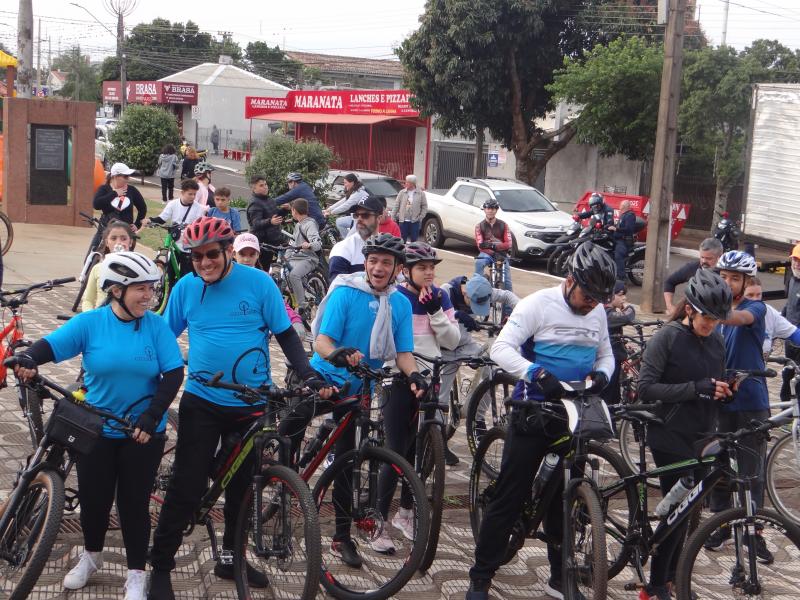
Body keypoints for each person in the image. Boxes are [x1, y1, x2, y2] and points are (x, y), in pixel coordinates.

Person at [147, 217, 334, 600]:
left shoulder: (259, 283)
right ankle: (161, 567)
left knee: (240, 491)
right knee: (186, 485)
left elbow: (285, 334)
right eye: (196, 257)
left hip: (252, 404)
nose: (204, 263)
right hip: (203, 399)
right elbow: (165, 336)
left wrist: (308, 373)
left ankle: (231, 559)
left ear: (228, 251)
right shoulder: (186, 288)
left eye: (211, 255)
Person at [13, 251, 184, 600]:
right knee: (95, 500)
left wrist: (151, 417)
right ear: (116, 290)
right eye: (141, 289)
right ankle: (90, 557)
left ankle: (136, 573)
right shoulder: (91, 323)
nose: (149, 296)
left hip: (142, 432)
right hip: (97, 430)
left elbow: (173, 373)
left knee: (133, 504)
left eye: (152, 289)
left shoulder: (156, 326)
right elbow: (51, 345)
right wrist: (29, 357)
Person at [466, 242, 616, 600]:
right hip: (534, 412)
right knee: (509, 496)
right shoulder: (538, 304)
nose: (592, 303)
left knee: (565, 500)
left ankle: (558, 577)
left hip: (574, 414)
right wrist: (534, 372)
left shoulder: (597, 312)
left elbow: (606, 353)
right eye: (588, 295)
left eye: (599, 298)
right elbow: (501, 349)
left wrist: (603, 375)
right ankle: (480, 577)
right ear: (570, 280)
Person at [277, 232, 425, 568]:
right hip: (325, 377)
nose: (378, 267)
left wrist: (414, 375)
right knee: (288, 431)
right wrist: (339, 356)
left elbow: (402, 353)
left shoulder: (399, 303)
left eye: (386, 262)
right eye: (373, 260)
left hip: (359, 388)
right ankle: (280, 484)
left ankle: (341, 537)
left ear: (398, 268)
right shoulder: (346, 291)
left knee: (347, 463)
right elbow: (322, 342)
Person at [637, 268, 732, 600]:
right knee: (677, 514)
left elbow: (711, 384)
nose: (711, 325)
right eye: (707, 318)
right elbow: (646, 389)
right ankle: (655, 586)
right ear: (689, 309)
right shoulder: (668, 337)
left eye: (717, 320)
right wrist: (696, 388)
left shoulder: (716, 340)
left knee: (687, 513)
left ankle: (672, 578)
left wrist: (724, 389)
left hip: (703, 435)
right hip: (669, 434)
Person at [370, 241, 458, 553]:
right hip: (398, 379)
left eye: (432, 267)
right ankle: (378, 520)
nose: (429, 272)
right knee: (395, 450)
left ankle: (405, 513)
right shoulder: (396, 298)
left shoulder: (440, 297)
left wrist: (435, 310)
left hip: (429, 379)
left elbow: (451, 341)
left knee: (419, 451)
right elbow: (388, 341)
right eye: (422, 267)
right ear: (406, 270)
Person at [704, 250, 773, 563]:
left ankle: (753, 533)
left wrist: (707, 309)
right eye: (723, 276)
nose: (727, 282)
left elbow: (739, 318)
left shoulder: (754, 308)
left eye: (734, 278)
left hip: (751, 402)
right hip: (719, 399)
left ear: (747, 282)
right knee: (717, 466)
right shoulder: (711, 316)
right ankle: (720, 522)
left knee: (751, 472)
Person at [439, 273, 519, 465]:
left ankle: (477, 415)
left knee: (493, 366)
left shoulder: (484, 290)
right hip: (444, 350)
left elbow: (508, 296)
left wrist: (516, 314)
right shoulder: (446, 291)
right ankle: (438, 442)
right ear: (466, 294)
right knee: (439, 399)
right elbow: (434, 316)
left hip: (466, 345)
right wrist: (456, 315)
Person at [232, 232, 306, 338]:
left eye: (252, 254)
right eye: (242, 254)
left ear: (258, 254)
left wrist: (295, 320)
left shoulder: (264, 279)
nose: (246, 259)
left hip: (256, 340)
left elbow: (279, 303)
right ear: (234, 254)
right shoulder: (226, 278)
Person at [142, 179, 206, 277]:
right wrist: (150, 220)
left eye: (194, 194)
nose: (193, 197)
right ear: (182, 192)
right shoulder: (173, 204)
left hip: (188, 245)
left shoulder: (198, 208)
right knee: (170, 273)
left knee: (185, 275)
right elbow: (162, 219)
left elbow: (199, 226)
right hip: (174, 242)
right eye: (190, 194)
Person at [81, 220, 137, 312]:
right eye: (113, 238)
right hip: (102, 318)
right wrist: (91, 317)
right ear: (107, 242)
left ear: (130, 242)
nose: (118, 243)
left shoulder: (137, 269)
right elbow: (88, 300)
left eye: (123, 239)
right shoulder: (98, 268)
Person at [663, 237, 724, 315]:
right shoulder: (692, 268)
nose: (704, 261)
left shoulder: (726, 274)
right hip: (690, 316)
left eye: (709, 258)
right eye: (702, 257)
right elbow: (669, 282)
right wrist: (670, 307)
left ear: (720, 256)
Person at [92, 162, 147, 248]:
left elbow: (142, 208)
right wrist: (114, 193)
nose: (128, 179)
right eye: (125, 176)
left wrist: (137, 224)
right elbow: (96, 204)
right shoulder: (104, 189)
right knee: (92, 256)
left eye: (128, 176)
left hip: (125, 235)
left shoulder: (132, 190)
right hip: (105, 231)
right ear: (115, 176)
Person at [328, 195, 382, 279]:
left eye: (365, 215)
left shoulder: (389, 247)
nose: (359, 219)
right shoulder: (342, 248)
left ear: (379, 218)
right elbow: (338, 288)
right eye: (356, 215)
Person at [744, 277, 800, 356]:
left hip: (759, 366)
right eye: (750, 295)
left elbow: (794, 333)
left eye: (758, 295)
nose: (755, 300)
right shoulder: (733, 314)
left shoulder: (769, 312)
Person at [602, 281, 636, 404]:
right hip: (611, 357)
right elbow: (626, 316)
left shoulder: (606, 310)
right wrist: (629, 307)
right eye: (620, 294)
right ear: (610, 295)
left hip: (614, 356)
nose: (624, 298)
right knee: (609, 393)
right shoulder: (605, 312)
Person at [285, 198, 322, 312]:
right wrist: (285, 256)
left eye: (291, 210)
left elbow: (318, 244)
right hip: (297, 257)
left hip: (308, 259)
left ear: (294, 211)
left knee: (294, 275)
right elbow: (293, 243)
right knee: (283, 270)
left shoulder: (309, 224)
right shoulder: (298, 225)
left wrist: (309, 245)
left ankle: (302, 306)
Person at [246, 175, 286, 271]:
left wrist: (285, 210)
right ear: (254, 188)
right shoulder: (255, 203)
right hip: (263, 243)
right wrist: (270, 221)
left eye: (265, 184)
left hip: (274, 240)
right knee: (263, 269)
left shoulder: (268, 199)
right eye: (261, 185)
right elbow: (255, 224)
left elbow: (275, 215)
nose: (265, 187)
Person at [473, 199, 512, 291]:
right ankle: (477, 291)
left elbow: (509, 243)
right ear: (484, 209)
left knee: (507, 281)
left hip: (501, 254)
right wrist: (493, 253)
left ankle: (509, 305)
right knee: (479, 263)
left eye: (493, 208)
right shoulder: (479, 226)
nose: (490, 210)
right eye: (488, 208)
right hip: (486, 254)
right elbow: (481, 246)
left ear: (496, 210)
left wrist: (494, 246)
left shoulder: (504, 225)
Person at [324, 173, 369, 238]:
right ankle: (347, 241)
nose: (344, 185)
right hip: (357, 218)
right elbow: (343, 201)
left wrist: (331, 212)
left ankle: (347, 242)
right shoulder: (355, 191)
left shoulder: (358, 193)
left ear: (352, 182)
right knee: (339, 222)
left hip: (363, 220)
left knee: (348, 233)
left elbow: (346, 206)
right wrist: (329, 209)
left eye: (345, 183)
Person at [392, 174, 427, 242]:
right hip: (403, 221)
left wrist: (420, 217)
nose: (405, 183)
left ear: (412, 183)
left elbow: (424, 206)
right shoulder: (402, 192)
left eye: (407, 182)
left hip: (415, 221)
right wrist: (393, 216)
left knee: (414, 241)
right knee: (401, 240)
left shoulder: (420, 193)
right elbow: (396, 205)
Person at [782, 243, 800, 363]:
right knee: (787, 371)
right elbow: (789, 305)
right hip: (790, 336)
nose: (797, 264)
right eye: (795, 259)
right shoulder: (792, 279)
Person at [611, 199, 637, 282]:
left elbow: (629, 229)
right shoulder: (623, 215)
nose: (619, 207)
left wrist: (616, 229)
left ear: (624, 207)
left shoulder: (630, 215)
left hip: (624, 241)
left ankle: (622, 277)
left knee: (618, 255)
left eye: (620, 206)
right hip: (618, 239)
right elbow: (619, 226)